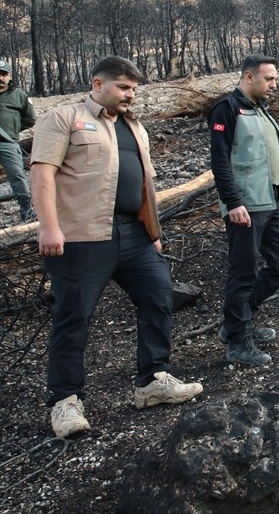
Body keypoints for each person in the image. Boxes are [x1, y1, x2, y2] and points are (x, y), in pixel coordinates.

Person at [31, 56, 203, 439]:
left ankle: (152, 382)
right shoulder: (62, 118)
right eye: (123, 88)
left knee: (159, 297)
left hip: (135, 236)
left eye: (134, 89)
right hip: (82, 237)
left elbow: (144, 184)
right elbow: (42, 173)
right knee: (74, 316)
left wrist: (153, 230)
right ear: (97, 84)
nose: (130, 95)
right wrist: (49, 227)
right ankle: (65, 401)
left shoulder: (134, 126)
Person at [209, 54, 279, 367]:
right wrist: (232, 202)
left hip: (271, 202)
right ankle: (237, 340)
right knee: (243, 271)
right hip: (245, 205)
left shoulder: (261, 110)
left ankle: (238, 320)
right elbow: (219, 161)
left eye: (275, 78)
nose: (275, 84)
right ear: (248, 77)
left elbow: (276, 156)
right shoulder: (228, 109)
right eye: (269, 78)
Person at [0, 59, 37, 222]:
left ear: (9, 75)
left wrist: (12, 131)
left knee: (17, 174)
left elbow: (29, 119)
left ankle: (26, 209)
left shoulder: (19, 95)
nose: (0, 78)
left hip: (8, 142)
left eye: (4, 74)